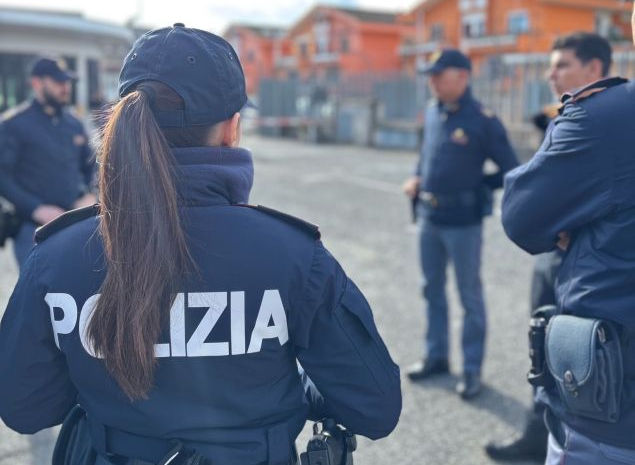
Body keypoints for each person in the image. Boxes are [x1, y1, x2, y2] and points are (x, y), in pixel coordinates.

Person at [0, 25, 401, 465]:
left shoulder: (56, 256)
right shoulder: (294, 256)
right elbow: (374, 407)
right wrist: (290, 389)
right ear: (232, 129)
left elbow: (24, 407)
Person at [501, 2, 635, 461]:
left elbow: (522, 215)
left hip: (614, 410)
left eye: (561, 65)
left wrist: (573, 224)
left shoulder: (607, 115)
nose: (551, 74)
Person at [403, 49, 518, 399]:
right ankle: (436, 356)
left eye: (440, 75)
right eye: (431, 76)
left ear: (463, 77)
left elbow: (511, 169)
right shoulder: (434, 112)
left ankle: (471, 370)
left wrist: (478, 186)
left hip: (463, 223)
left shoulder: (483, 120)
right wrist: (417, 177)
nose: (433, 82)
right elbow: (425, 156)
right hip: (429, 218)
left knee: (469, 296)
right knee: (431, 290)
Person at [0, 57, 96, 268]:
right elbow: (3, 178)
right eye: (58, 81)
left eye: (67, 81)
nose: (65, 87)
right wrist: (36, 209)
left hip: (73, 223)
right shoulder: (14, 124)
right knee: (38, 286)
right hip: (33, 229)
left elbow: (92, 166)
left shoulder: (74, 123)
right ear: (36, 83)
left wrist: (91, 194)